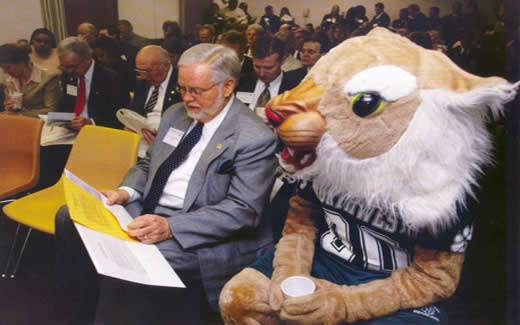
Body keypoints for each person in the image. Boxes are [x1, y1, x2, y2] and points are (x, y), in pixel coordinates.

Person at [54, 43, 278, 324]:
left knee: (127, 260)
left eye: (197, 90)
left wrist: (172, 226)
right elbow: (150, 165)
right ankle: (90, 296)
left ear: (228, 86)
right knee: (68, 217)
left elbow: (244, 210)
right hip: (149, 210)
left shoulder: (253, 137)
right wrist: (126, 192)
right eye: (183, 88)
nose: (187, 98)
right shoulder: (175, 114)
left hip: (199, 229)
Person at [57, 37, 123, 130]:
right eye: (64, 67)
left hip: (98, 131)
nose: (69, 71)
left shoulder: (111, 79)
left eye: (73, 66)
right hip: (71, 131)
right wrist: (61, 119)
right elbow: (64, 106)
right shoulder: (67, 76)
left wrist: (91, 122)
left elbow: (119, 116)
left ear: (87, 59)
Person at [235, 35, 305, 117]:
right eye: (257, 67)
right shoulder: (240, 82)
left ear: (283, 60)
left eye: (268, 68)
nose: (262, 73)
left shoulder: (295, 88)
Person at [129, 45, 182, 146]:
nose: (143, 76)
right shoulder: (143, 80)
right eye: (140, 71)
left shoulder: (181, 83)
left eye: (148, 71)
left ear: (166, 66)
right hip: (139, 140)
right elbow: (135, 111)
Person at [0, 43, 61, 117]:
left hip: (42, 123)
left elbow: (52, 111)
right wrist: (9, 107)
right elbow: (7, 105)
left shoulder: (48, 78)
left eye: (7, 68)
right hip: (19, 121)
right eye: (2, 68)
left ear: (21, 62)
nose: (5, 72)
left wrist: (21, 114)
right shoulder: (9, 80)